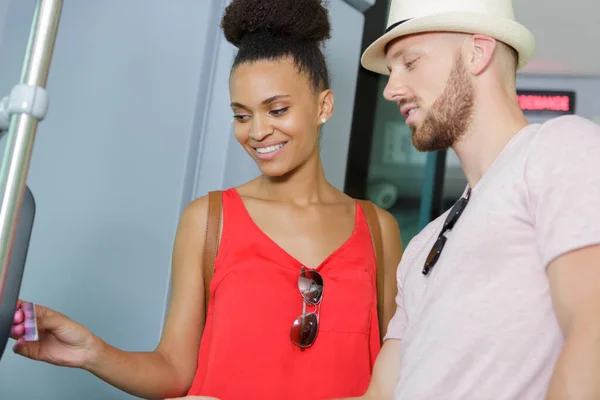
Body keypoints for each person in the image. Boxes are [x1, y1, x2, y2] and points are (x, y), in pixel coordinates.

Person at [10, 0, 403, 399]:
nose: (258, 131)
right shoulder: (209, 219)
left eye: (278, 109)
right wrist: (92, 353)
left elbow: (399, 375)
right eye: (242, 115)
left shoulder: (378, 231)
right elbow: (175, 372)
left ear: (323, 106)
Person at [340, 0, 600, 399]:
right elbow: (379, 395)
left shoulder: (559, 148)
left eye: (410, 62)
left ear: (478, 53)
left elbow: (593, 332)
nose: (391, 89)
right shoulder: (422, 246)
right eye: (390, 72)